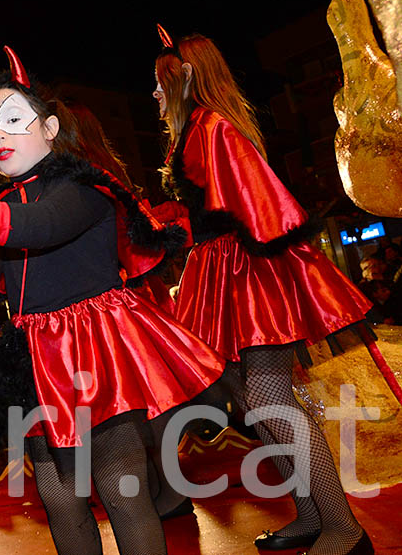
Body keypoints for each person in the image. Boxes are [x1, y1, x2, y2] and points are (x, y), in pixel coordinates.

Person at [0, 46, 226, 555]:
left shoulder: (85, 188)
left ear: (51, 128)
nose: (0, 136)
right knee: (59, 498)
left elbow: (40, 227)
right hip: (33, 357)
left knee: (123, 492)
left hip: (93, 348)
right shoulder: (3, 203)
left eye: (13, 120)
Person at [154, 30, 374, 555]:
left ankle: (344, 528)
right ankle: (309, 513)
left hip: (246, 268)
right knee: (254, 400)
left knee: (272, 398)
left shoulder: (213, 127)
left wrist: (264, 255)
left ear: (183, 78)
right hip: (221, 268)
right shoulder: (198, 131)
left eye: (160, 84)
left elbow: (263, 204)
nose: (155, 96)